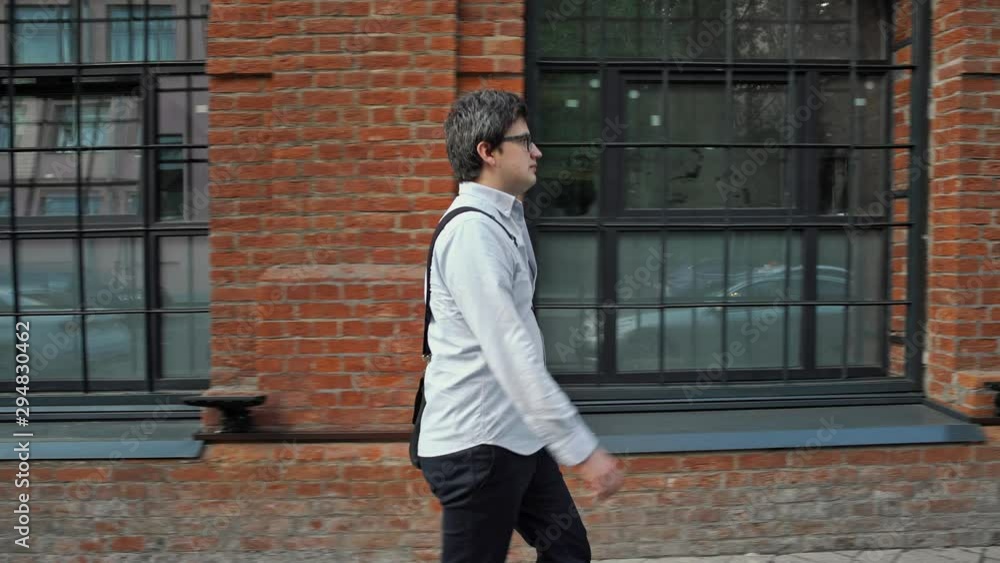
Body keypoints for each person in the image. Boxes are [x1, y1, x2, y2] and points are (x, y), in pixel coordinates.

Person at [416, 89, 624, 563]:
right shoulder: (473, 234)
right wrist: (583, 450)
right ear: (486, 152)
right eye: (524, 141)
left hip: (517, 436)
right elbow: (511, 352)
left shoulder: (503, 221)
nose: (537, 151)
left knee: (569, 552)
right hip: (478, 444)